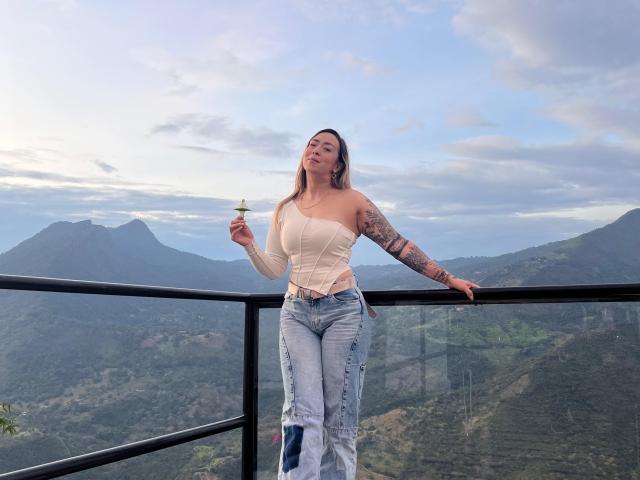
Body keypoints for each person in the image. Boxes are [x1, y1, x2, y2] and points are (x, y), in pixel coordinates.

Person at [229, 128, 480, 479]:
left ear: (337, 163)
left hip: (343, 312)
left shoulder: (354, 202)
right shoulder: (285, 208)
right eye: (312, 144)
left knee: (339, 417)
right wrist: (249, 245)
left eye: (326, 147)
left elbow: (397, 244)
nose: (316, 150)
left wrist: (446, 278)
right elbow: (274, 268)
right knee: (299, 414)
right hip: (296, 313)